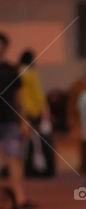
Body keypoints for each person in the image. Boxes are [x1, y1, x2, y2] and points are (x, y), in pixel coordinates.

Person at [19, 50, 51, 183]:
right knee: (35, 142)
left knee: (28, 142)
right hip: (32, 110)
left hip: (26, 110)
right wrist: (45, 109)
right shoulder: (29, 74)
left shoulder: (20, 72)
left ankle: (29, 169)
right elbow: (37, 94)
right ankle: (37, 169)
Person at [0, 32, 24, 206]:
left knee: (14, 157)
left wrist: (23, 119)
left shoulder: (11, 69)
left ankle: (19, 197)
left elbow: (19, 96)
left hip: (10, 119)